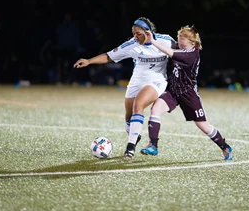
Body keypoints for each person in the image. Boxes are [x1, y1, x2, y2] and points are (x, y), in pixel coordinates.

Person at [74, 17, 176, 159]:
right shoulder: (132, 44)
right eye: (134, 34)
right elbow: (109, 56)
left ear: (148, 32)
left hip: (157, 80)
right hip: (137, 79)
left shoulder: (166, 41)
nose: (135, 37)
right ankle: (135, 135)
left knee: (138, 104)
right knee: (129, 116)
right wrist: (89, 61)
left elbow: (182, 52)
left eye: (138, 34)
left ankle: (130, 147)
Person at [140, 25, 233, 160]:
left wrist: (153, 41)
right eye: (178, 37)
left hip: (189, 94)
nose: (178, 41)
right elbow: (167, 43)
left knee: (203, 126)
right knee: (155, 110)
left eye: (182, 38)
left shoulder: (191, 55)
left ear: (191, 41)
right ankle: (153, 145)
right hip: (172, 90)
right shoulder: (180, 46)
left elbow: (170, 52)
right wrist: (149, 36)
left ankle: (225, 147)